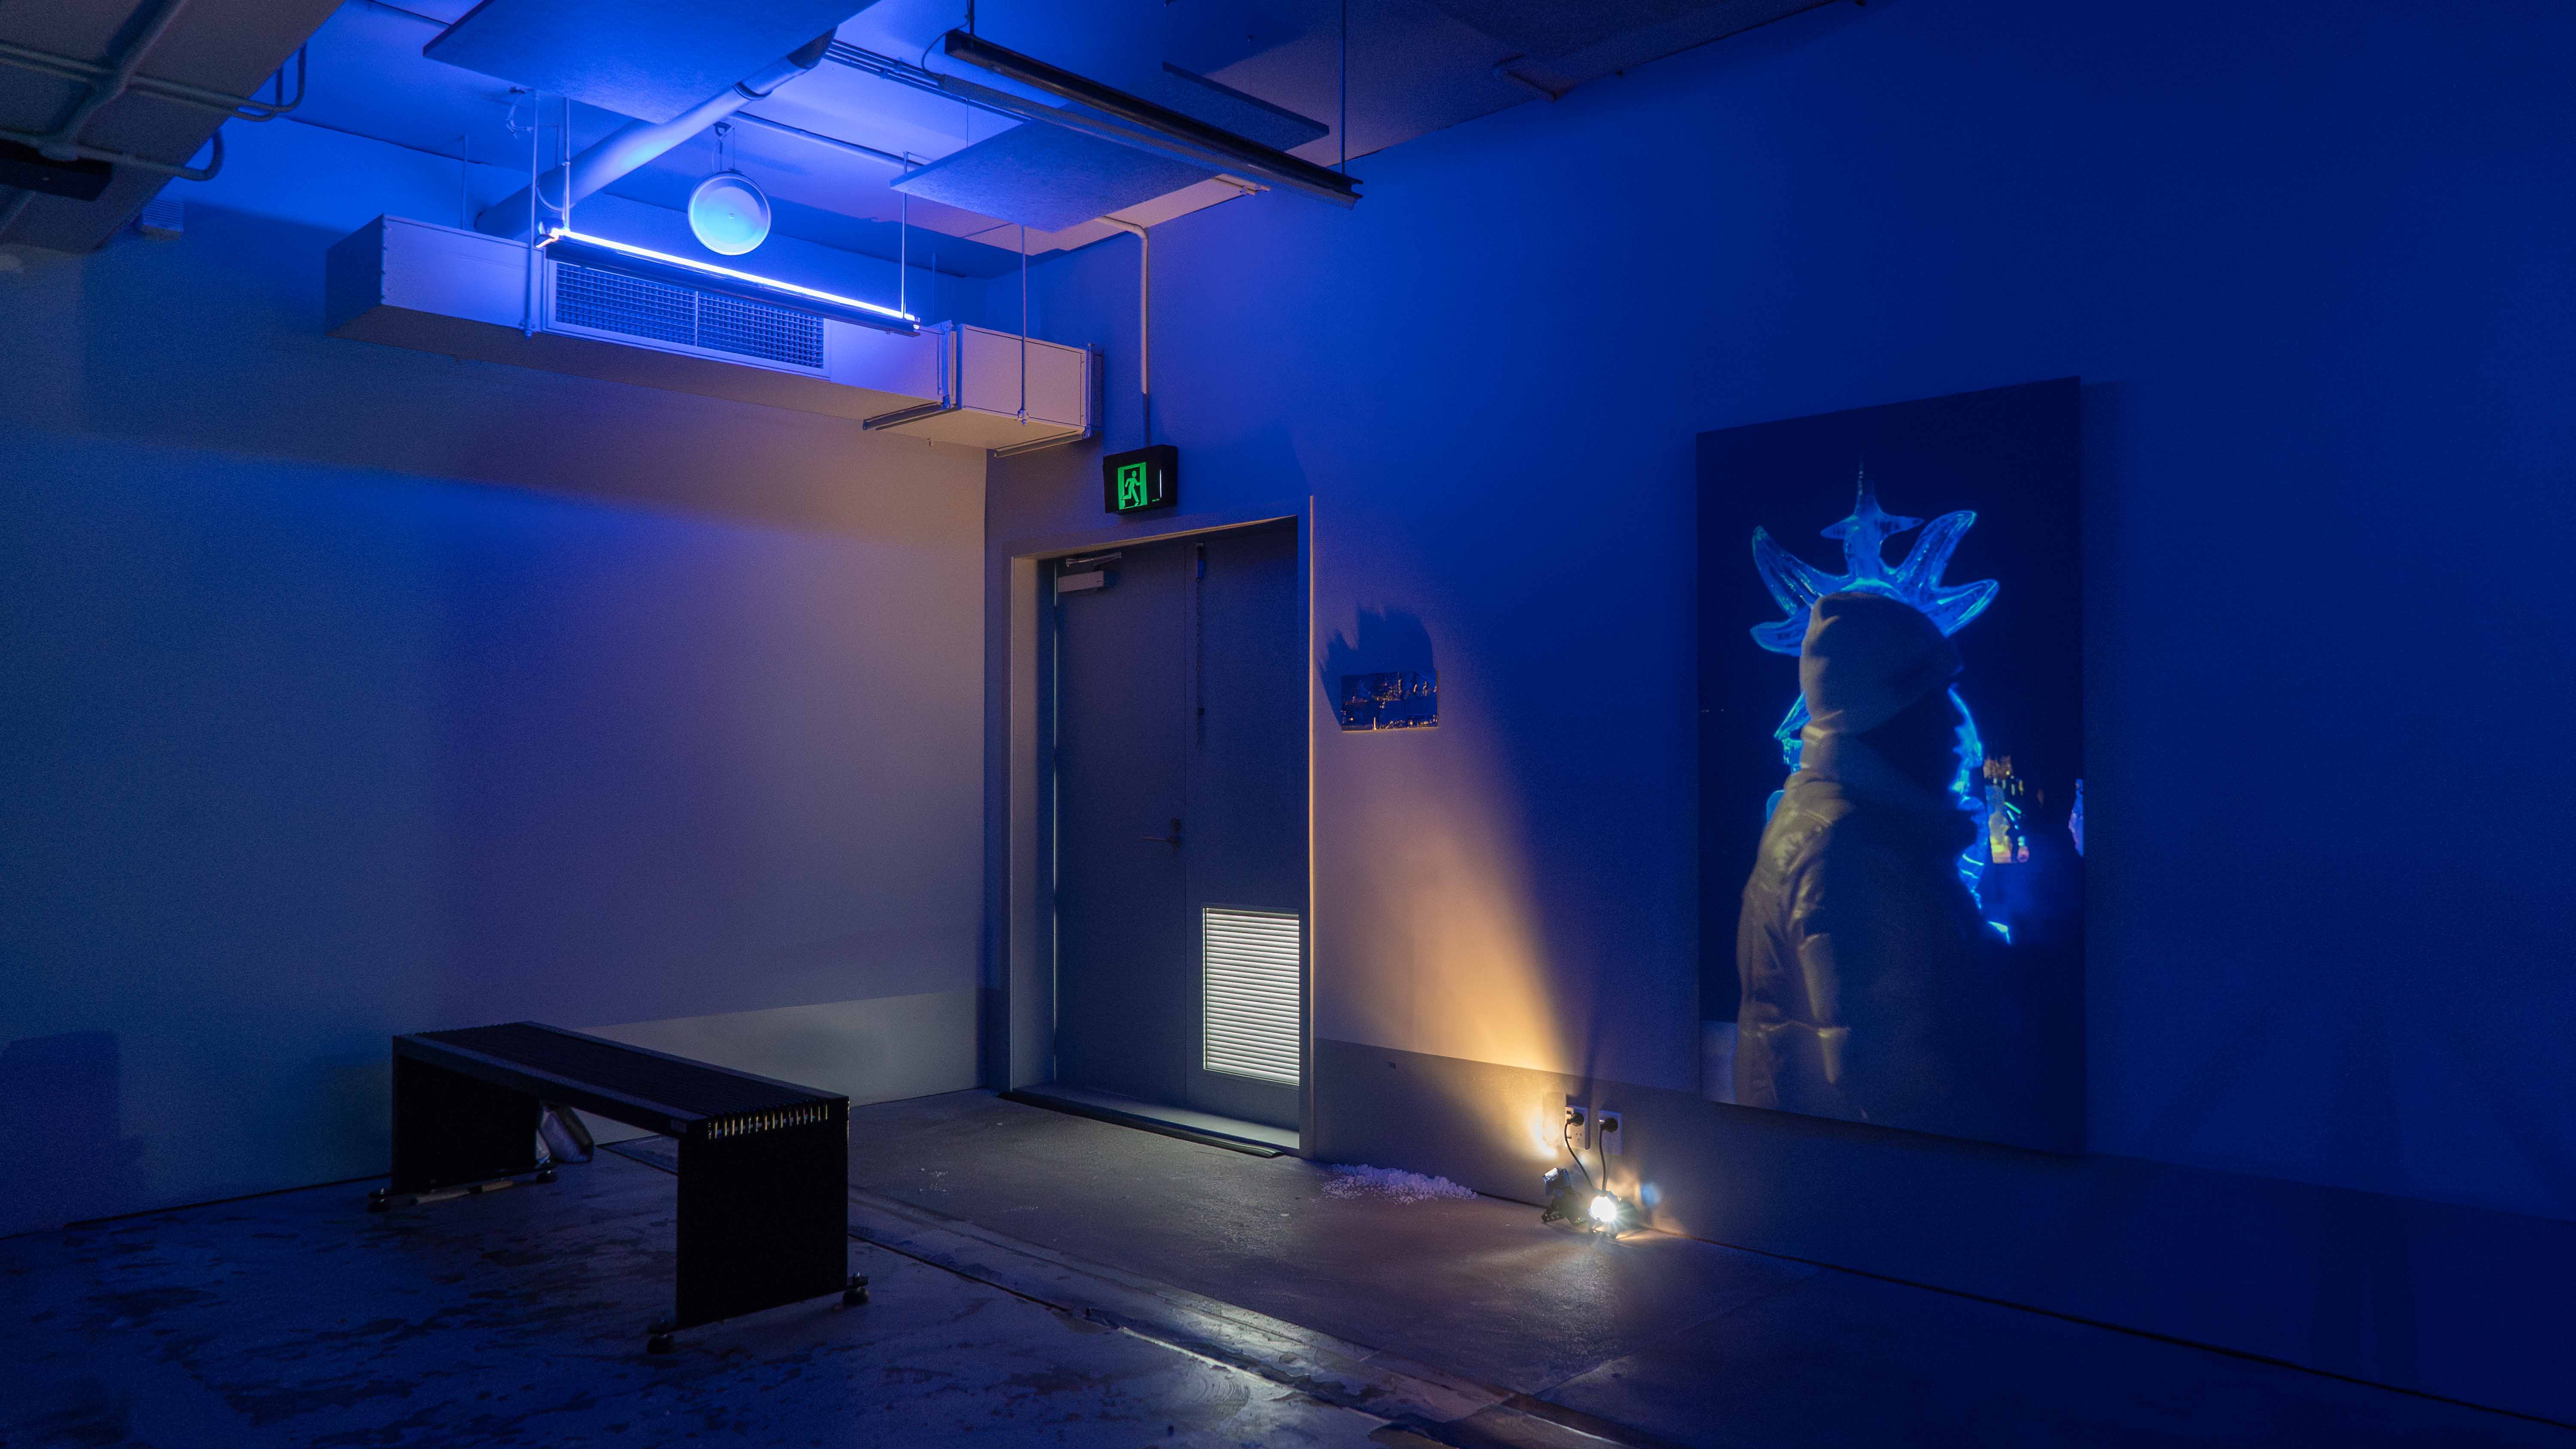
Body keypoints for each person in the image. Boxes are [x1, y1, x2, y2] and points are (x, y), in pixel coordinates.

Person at [1734, 591, 2017, 1141]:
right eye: (1934, 701)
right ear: (1885, 719)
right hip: (1855, 1178)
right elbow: (1896, 1083)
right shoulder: (1847, 849)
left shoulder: (1848, 826)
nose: (1957, 725)